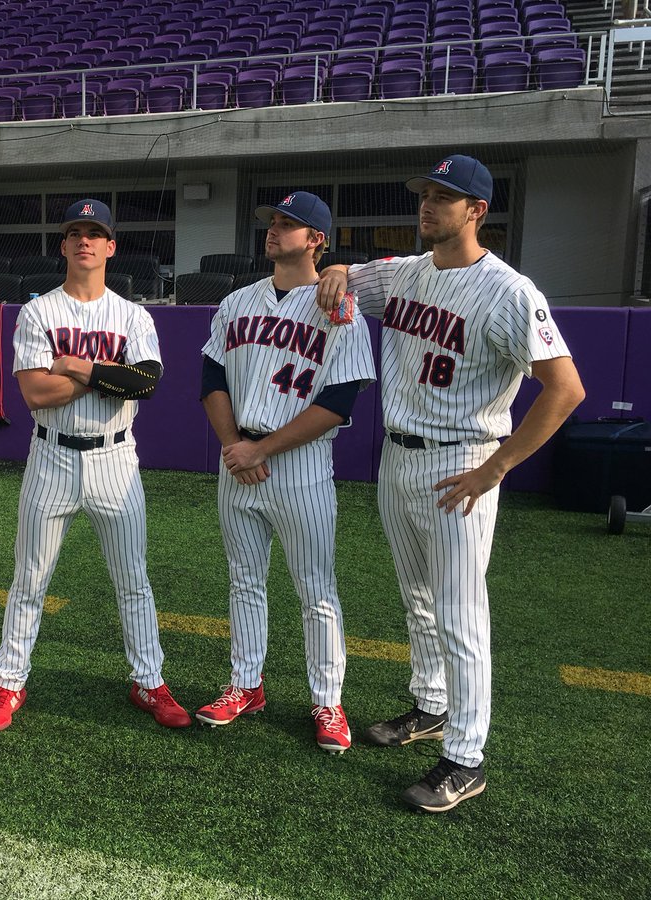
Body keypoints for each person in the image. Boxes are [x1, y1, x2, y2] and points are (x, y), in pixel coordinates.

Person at [316, 155, 585, 812]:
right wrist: (335, 270)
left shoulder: (510, 291)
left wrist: (498, 468)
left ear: (476, 211)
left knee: (463, 615)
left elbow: (566, 389)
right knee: (418, 598)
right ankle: (430, 707)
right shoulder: (405, 272)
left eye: (445, 198)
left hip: (463, 461)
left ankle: (467, 757)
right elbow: (348, 277)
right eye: (425, 195)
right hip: (399, 457)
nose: (428, 207)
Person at [0, 198, 190, 732]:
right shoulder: (39, 311)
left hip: (115, 456)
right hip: (51, 454)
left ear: (111, 246)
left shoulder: (132, 314)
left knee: (133, 580)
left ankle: (150, 682)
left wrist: (76, 365)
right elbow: (35, 393)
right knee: (30, 578)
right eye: (75, 232)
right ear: (64, 245)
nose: (84, 241)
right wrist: (105, 373)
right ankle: (9, 683)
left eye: (94, 233)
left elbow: (145, 383)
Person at [197, 192, 375, 753]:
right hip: (237, 460)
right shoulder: (236, 302)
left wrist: (262, 450)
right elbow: (211, 379)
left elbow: (340, 401)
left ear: (316, 239)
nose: (275, 231)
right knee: (243, 581)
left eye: (289, 224)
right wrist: (234, 445)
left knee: (315, 590)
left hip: (299, 466)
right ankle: (246, 685)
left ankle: (328, 699)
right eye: (273, 221)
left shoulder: (339, 306)